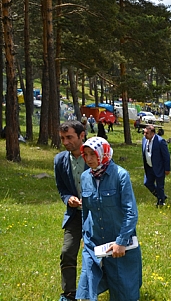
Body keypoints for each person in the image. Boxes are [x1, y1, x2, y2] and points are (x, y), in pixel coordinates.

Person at [76, 137, 142, 301]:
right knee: (87, 290)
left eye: (93, 154)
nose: (89, 159)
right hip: (94, 244)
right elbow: (86, 211)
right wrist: (85, 235)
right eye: (86, 154)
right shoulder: (85, 177)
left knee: (124, 293)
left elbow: (131, 212)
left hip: (118, 246)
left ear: (103, 153)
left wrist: (121, 241)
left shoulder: (121, 176)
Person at [54, 121, 87, 301]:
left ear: (82, 136)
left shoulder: (94, 155)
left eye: (69, 138)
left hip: (95, 214)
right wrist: (69, 199)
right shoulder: (59, 160)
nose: (65, 142)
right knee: (67, 252)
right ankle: (69, 293)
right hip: (74, 215)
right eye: (62, 138)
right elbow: (62, 189)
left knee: (99, 254)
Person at [142, 125, 171, 207]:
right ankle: (161, 196)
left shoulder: (160, 141)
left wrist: (167, 168)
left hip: (159, 167)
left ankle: (161, 202)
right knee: (147, 183)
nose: (144, 134)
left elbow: (166, 156)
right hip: (149, 167)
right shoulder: (144, 139)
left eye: (146, 133)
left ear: (152, 133)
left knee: (160, 186)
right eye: (144, 132)